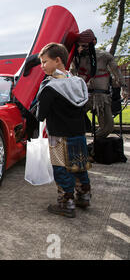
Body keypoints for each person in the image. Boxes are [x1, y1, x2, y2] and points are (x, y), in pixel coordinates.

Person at [36, 43, 92, 218]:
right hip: (78, 134)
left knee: (61, 169)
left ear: (58, 60)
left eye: (45, 62)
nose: (42, 66)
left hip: (57, 136)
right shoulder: (78, 83)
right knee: (80, 166)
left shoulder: (50, 87)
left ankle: (65, 203)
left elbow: (40, 115)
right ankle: (83, 196)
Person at [70, 29, 128, 138]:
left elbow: (117, 72)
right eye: (80, 45)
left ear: (93, 43)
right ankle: (83, 145)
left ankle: (93, 146)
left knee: (107, 127)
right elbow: (71, 75)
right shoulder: (76, 58)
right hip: (83, 97)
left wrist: (124, 89)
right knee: (74, 121)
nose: (82, 48)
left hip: (101, 97)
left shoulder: (104, 56)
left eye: (85, 45)